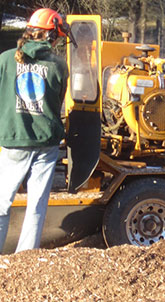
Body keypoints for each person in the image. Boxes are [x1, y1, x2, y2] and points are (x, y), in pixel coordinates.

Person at [0, 8, 70, 253]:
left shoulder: (6, 59)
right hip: (46, 142)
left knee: (1, 202)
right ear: (52, 36)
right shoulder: (59, 66)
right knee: (36, 205)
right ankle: (25, 259)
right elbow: (58, 102)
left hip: (13, 140)